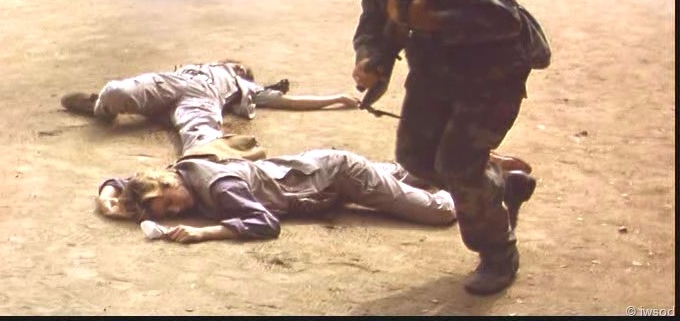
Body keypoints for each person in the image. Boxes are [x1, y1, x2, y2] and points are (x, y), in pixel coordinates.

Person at [310, 0, 552, 295]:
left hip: (492, 70)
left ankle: (498, 251)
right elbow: (375, 14)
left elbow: (503, 19)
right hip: (436, 65)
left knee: (457, 164)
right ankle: (501, 186)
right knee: (416, 158)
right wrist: (371, 58)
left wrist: (432, 21)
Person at [95, 148, 534, 242]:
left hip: (339, 178)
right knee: (408, 176)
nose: (178, 210)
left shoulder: (217, 188)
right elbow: (123, 179)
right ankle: (475, 162)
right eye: (169, 212)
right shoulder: (179, 171)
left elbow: (265, 224)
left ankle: (492, 180)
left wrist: (203, 233)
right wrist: (108, 197)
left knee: (438, 210)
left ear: (169, 184)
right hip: (316, 170)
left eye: (171, 202)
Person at [61, 60, 359, 159]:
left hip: (203, 99)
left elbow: (289, 102)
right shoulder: (197, 66)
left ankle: (205, 172)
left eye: (243, 69)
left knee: (203, 142)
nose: (239, 67)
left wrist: (336, 98)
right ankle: (99, 107)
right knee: (117, 91)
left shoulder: (244, 85)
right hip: (172, 84)